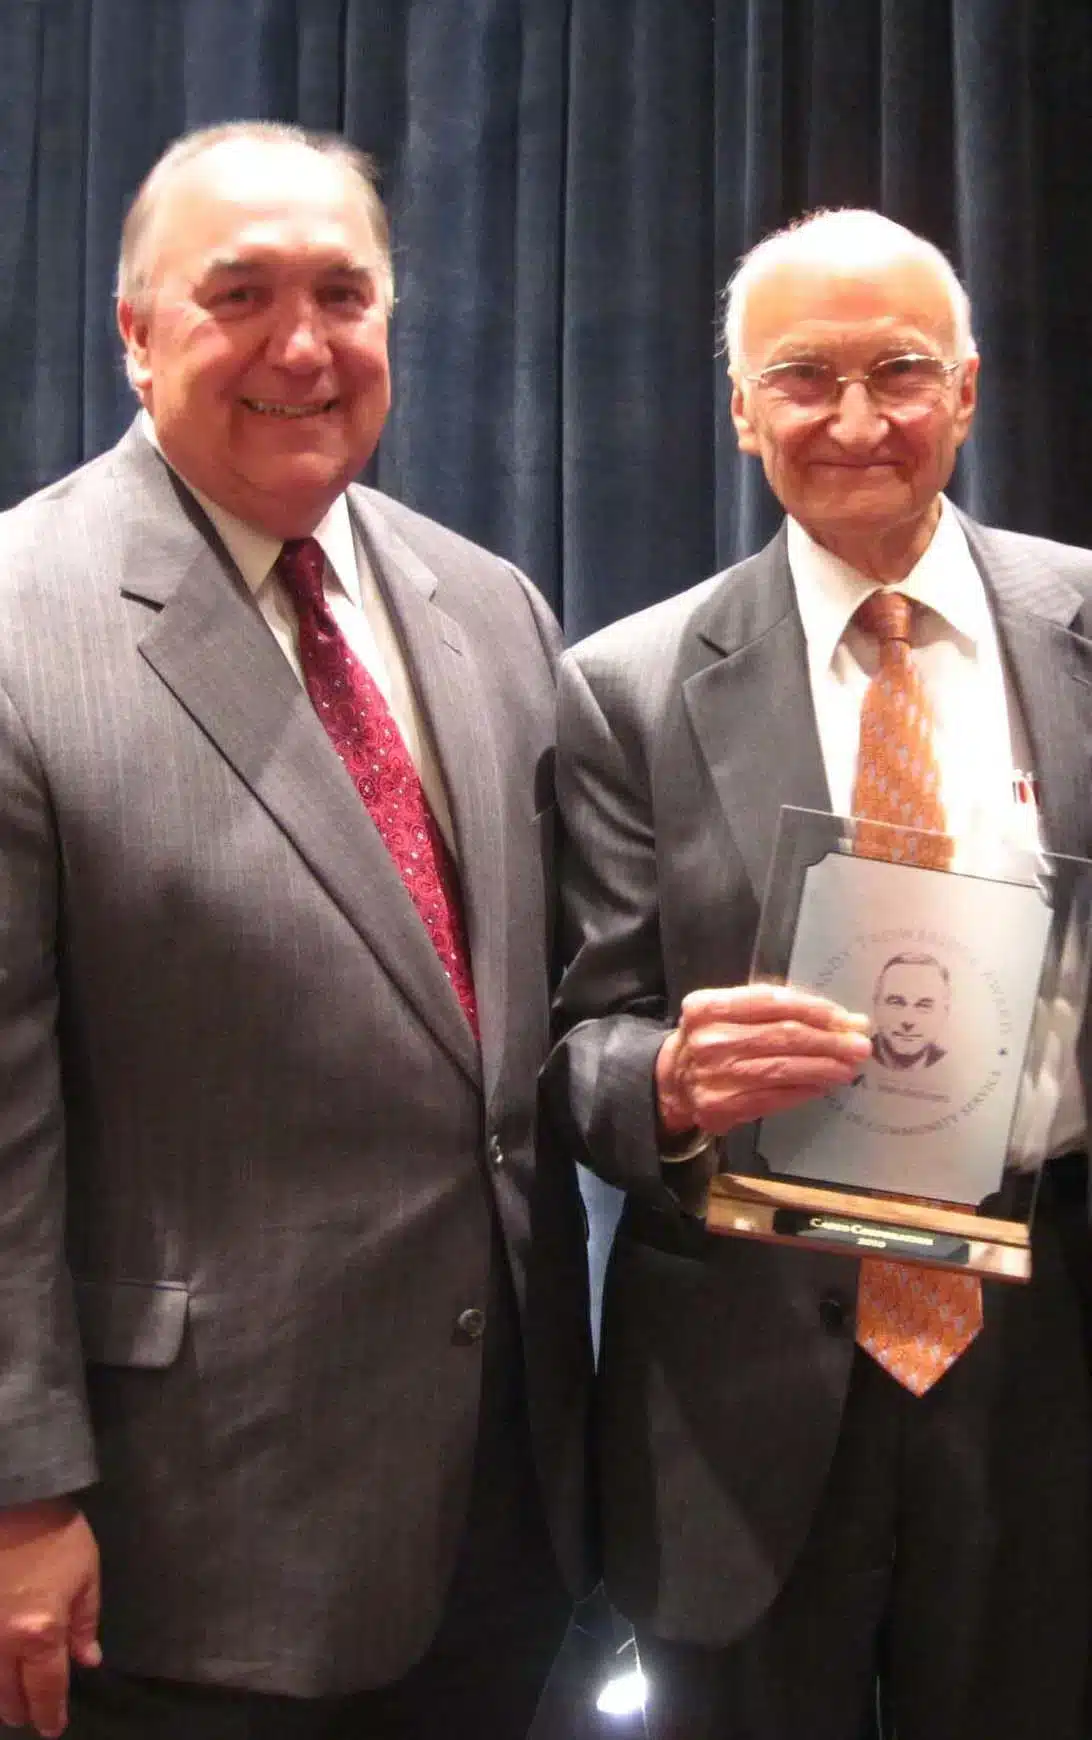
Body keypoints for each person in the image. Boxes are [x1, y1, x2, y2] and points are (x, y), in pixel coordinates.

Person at [0, 121, 593, 1740]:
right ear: (133, 333)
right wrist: (15, 1498)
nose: (303, 346)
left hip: (497, 1515)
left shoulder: (491, 608)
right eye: (239, 293)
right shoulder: (16, 627)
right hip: (180, 1544)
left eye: (345, 293)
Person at [544, 208, 1092, 1739]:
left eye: (902, 371)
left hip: (1047, 1361)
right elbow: (576, 1045)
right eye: (804, 378)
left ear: (969, 390)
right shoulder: (628, 687)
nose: (858, 420)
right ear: (738, 407)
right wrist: (662, 1081)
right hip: (744, 1384)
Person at [871, 952, 950, 1070]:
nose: (908, 1020)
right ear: (877, 1005)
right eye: (896, 1002)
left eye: (924, 1005)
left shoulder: (952, 1067)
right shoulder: (854, 1056)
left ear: (944, 1012)